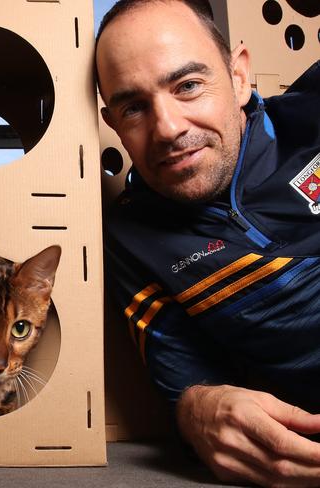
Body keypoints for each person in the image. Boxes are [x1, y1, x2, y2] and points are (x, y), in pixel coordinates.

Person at [96, 0, 320, 486]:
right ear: (112, 122)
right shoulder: (130, 238)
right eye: (133, 107)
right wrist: (198, 409)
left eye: (189, 86)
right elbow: (187, 386)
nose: (169, 128)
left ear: (240, 76)